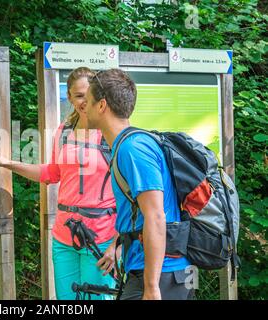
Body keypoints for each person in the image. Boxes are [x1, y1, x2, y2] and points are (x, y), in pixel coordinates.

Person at [0, 67, 118, 300]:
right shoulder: (64, 130)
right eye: (77, 95)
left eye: (88, 94)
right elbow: (52, 173)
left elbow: (130, 193)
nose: (83, 101)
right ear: (70, 97)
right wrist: (6, 163)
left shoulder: (111, 131)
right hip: (65, 236)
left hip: (102, 237)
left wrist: (117, 245)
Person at [84, 68, 194, 300]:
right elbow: (137, 213)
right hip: (154, 270)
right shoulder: (128, 144)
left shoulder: (133, 149)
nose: (84, 106)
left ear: (102, 105)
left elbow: (155, 215)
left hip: (162, 274)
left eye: (89, 101)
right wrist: (118, 244)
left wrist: (151, 287)